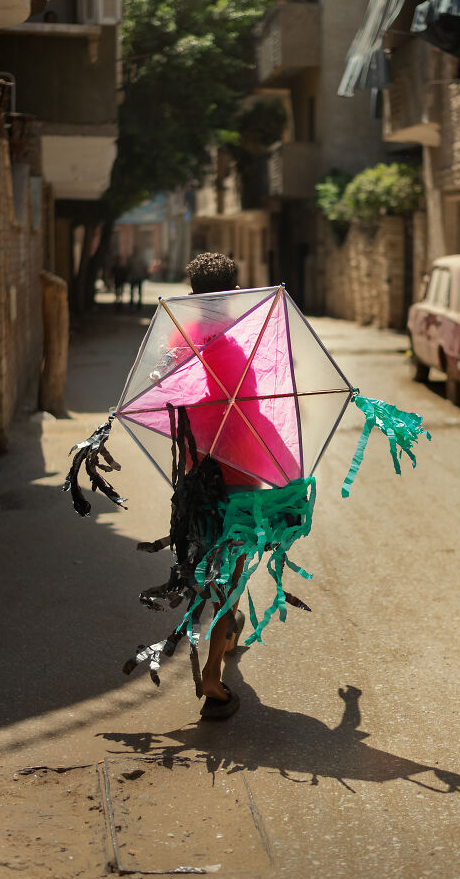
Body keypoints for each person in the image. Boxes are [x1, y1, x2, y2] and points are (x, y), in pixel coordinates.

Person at [185, 252, 250, 719]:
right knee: (233, 568)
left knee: (208, 561)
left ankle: (225, 636)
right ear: (232, 295)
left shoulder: (180, 339)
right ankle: (212, 676)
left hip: (195, 472)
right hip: (238, 472)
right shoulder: (233, 346)